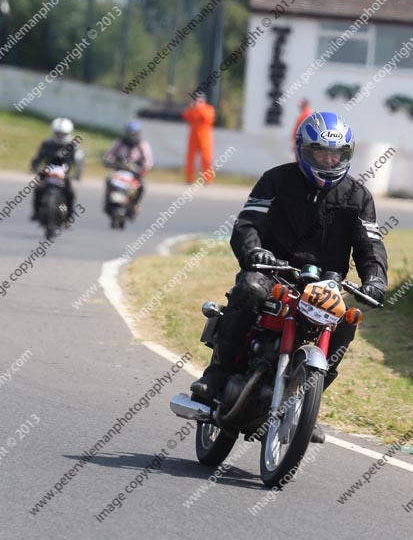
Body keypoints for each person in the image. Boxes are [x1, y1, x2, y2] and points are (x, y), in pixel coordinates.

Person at [191, 111, 388, 442]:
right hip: (274, 272)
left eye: (336, 154)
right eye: (320, 153)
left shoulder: (358, 196)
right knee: (250, 288)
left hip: (326, 284)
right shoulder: (276, 180)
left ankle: (306, 405)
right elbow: (248, 224)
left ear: (347, 155)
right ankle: (218, 373)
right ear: (303, 150)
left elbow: (371, 245)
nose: (329, 160)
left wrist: (376, 279)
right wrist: (254, 252)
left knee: (347, 320)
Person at [31, 118, 84, 220]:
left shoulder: (73, 146)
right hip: (48, 173)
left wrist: (77, 174)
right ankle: (36, 212)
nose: (60, 136)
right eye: (58, 133)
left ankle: (68, 214)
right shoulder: (47, 143)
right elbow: (38, 157)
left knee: (70, 192)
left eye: (63, 134)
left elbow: (79, 161)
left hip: (65, 174)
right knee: (38, 190)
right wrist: (35, 167)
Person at [103, 120, 153, 213]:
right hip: (119, 169)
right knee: (109, 180)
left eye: (134, 133)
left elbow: (148, 160)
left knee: (141, 187)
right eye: (130, 133)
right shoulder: (120, 142)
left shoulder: (142, 144)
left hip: (134, 172)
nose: (131, 136)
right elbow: (109, 154)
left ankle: (135, 204)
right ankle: (108, 202)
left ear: (138, 133)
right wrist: (108, 161)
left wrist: (144, 168)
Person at [182, 95, 215, 184]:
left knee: (206, 159)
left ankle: (207, 179)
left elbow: (208, 118)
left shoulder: (209, 109)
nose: (198, 103)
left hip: (205, 138)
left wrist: (200, 107)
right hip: (193, 138)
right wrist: (191, 108)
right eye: (197, 101)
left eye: (200, 101)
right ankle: (189, 179)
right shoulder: (193, 110)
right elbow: (186, 116)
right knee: (190, 159)